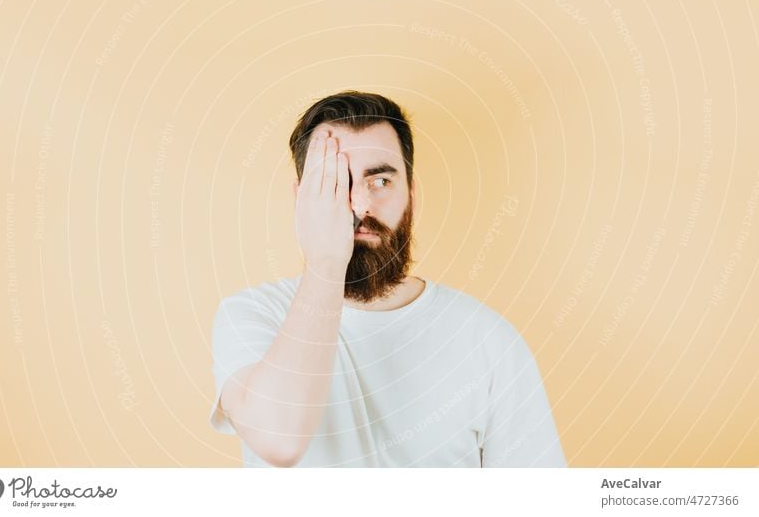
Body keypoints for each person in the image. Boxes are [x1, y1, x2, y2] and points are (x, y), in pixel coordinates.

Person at [209, 90, 566, 467]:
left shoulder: (488, 341)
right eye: (334, 182)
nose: (360, 205)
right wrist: (327, 261)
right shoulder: (251, 316)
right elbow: (279, 440)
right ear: (302, 199)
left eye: (380, 181)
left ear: (410, 195)